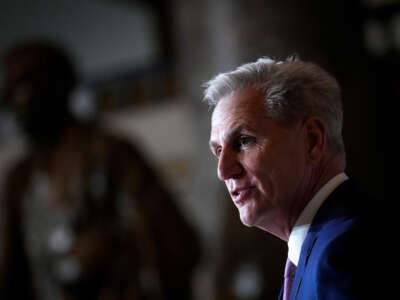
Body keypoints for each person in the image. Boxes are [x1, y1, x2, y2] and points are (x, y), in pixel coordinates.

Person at [0, 40, 200, 300]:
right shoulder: (19, 178)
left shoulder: (109, 153)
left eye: (22, 84)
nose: (8, 99)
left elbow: (177, 241)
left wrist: (112, 244)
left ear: (58, 85)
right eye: (7, 87)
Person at [203, 56, 383, 299]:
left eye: (244, 141)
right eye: (218, 151)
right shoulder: (316, 249)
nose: (223, 170)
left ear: (312, 141)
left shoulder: (346, 250)